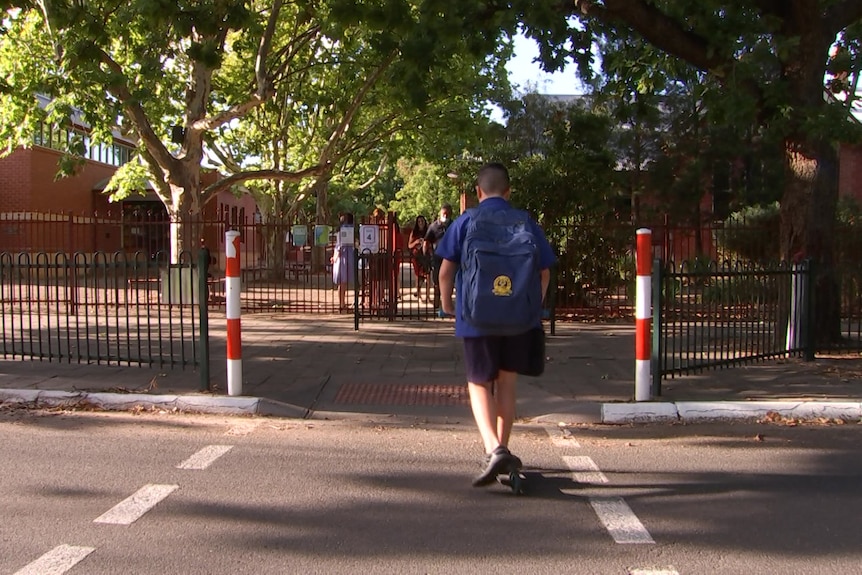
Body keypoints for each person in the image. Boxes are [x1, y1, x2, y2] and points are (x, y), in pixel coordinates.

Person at [435, 163, 556, 487]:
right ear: (508, 191)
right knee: (506, 383)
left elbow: (446, 272)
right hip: (518, 318)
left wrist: (448, 306)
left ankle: (494, 448)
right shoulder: (525, 221)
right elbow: (544, 271)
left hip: (476, 317)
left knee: (478, 383)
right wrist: (531, 305)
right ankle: (503, 453)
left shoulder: (466, 221)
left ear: (477, 192)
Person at [423, 203, 453, 308]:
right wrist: (425, 255)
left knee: (449, 281)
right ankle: (437, 302)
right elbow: (426, 241)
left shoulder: (453, 225)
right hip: (437, 257)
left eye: (448, 214)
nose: (446, 216)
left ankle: (447, 305)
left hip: (450, 257)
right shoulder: (434, 226)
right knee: (436, 280)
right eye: (444, 213)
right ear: (440, 213)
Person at [331, 212, 355, 312]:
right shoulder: (350, 228)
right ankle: (342, 303)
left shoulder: (344, 228)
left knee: (342, 282)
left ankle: (342, 303)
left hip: (342, 257)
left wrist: (335, 256)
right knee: (343, 282)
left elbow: (341, 244)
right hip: (347, 255)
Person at [407, 215, 430, 301]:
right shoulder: (414, 232)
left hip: (425, 255)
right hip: (416, 256)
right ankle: (419, 294)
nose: (421, 223)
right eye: (419, 221)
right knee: (418, 276)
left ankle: (428, 296)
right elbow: (409, 245)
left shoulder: (428, 232)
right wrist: (416, 242)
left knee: (427, 275)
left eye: (422, 221)